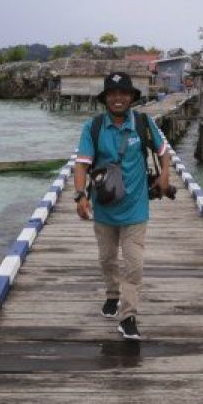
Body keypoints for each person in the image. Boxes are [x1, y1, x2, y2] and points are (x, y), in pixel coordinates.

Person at [73, 72, 171, 340]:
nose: (118, 98)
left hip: (136, 209)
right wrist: (80, 195)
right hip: (104, 208)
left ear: (131, 97)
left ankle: (128, 316)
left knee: (134, 264)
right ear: (105, 99)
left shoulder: (143, 123)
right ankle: (112, 293)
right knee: (106, 259)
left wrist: (164, 176)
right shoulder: (92, 128)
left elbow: (164, 153)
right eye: (112, 94)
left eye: (123, 93)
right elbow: (81, 164)